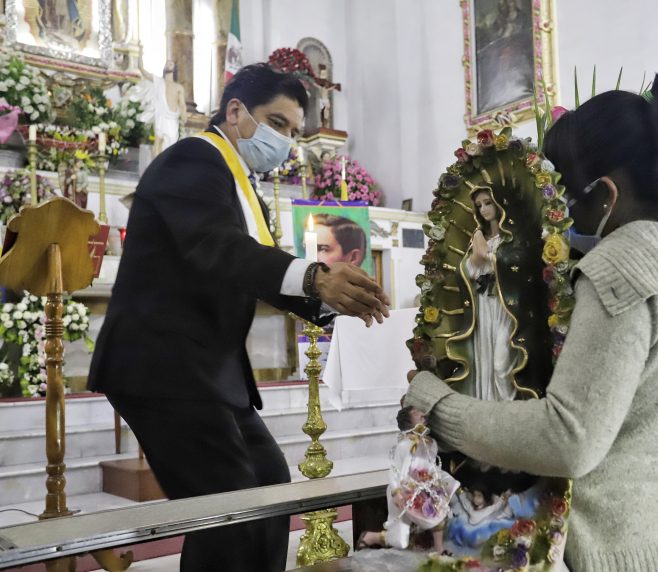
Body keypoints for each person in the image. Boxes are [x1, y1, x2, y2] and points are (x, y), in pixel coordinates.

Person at [405, 68, 658, 571]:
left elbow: (568, 440)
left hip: (614, 553)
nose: (560, 220)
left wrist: (437, 404)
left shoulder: (619, 263)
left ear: (604, 194)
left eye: (564, 198)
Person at [88, 63, 389, 572]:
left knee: (268, 492)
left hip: (208, 373)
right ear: (235, 111)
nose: (285, 141)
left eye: (293, 132)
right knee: (228, 515)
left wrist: (340, 308)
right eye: (277, 123)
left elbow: (261, 266)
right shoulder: (195, 160)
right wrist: (318, 278)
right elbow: (219, 248)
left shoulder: (237, 179)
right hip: (165, 368)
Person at [358, 406, 459, 554]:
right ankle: (373, 537)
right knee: (400, 541)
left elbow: (431, 465)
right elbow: (394, 470)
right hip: (406, 492)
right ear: (409, 421)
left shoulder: (430, 443)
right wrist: (396, 492)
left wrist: (442, 481)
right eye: (417, 413)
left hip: (425, 487)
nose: (422, 414)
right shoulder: (404, 446)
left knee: (437, 515)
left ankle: (439, 549)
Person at [463, 188, 516, 401]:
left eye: (488, 203)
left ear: (499, 203)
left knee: (500, 364)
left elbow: (517, 265)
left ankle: (508, 412)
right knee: (484, 362)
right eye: (479, 205)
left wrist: (490, 258)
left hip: (505, 308)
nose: (484, 209)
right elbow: (469, 271)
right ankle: (488, 408)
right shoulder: (479, 239)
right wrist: (476, 259)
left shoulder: (510, 238)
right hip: (484, 305)